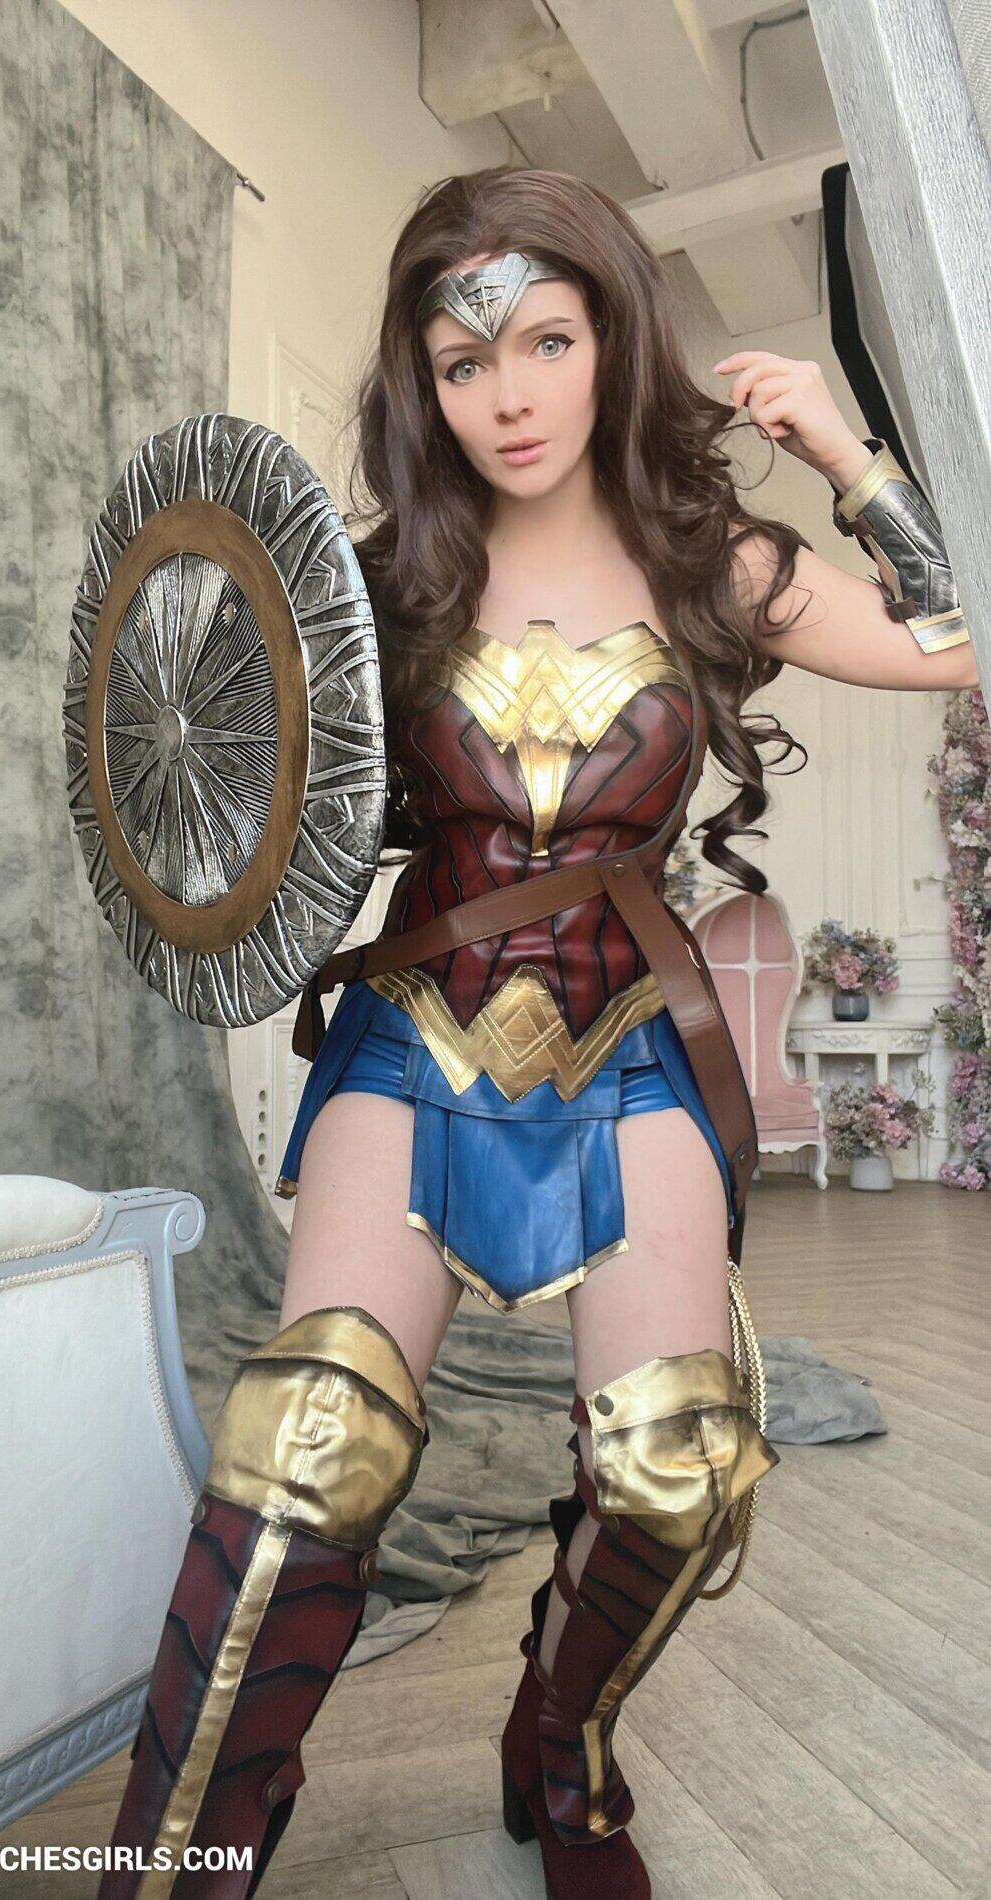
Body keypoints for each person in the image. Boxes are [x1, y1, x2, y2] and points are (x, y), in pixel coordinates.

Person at [97, 167, 978, 1900]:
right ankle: (174, 1861)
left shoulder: (718, 565)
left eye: (547, 342)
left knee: (675, 1465)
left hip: (628, 1042)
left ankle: (561, 1748)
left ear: (612, 340)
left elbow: (956, 646)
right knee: (307, 1448)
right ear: (420, 381)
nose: (505, 395)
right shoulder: (365, 587)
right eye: (460, 360)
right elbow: (215, 800)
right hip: (415, 1038)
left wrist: (843, 454)